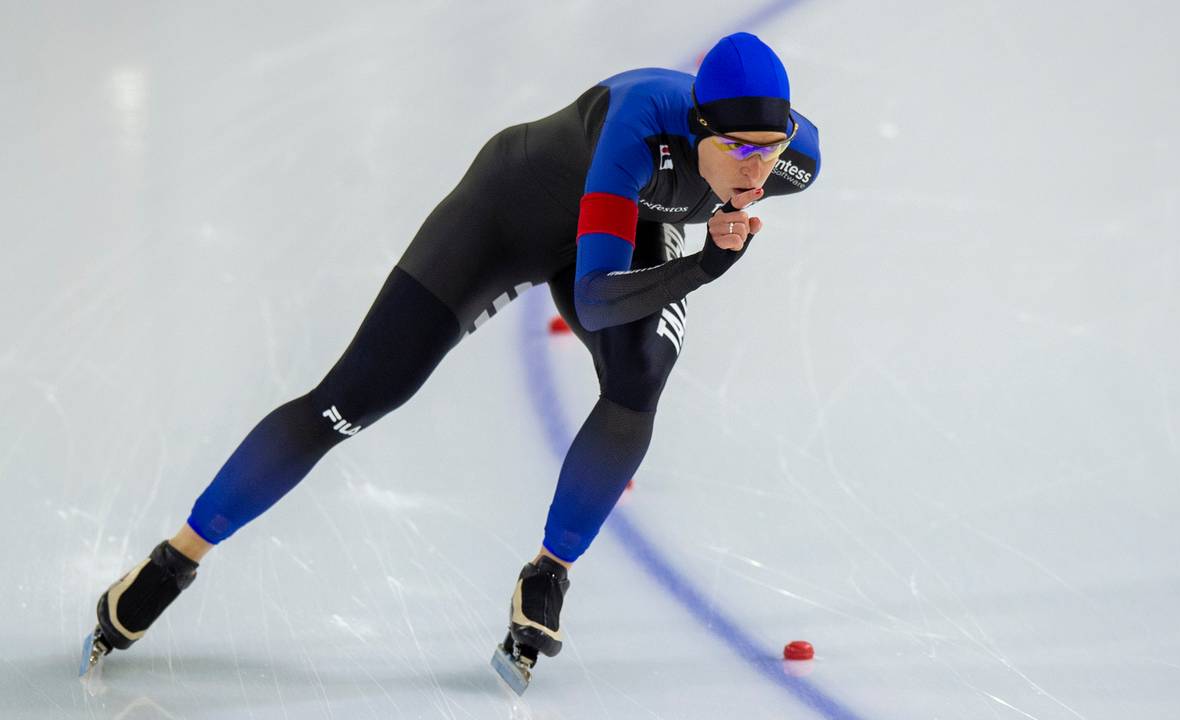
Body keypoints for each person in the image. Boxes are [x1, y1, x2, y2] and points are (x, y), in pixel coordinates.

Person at [84, 32, 821, 685]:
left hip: (623, 228)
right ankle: (174, 559)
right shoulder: (639, 131)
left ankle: (548, 574)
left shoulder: (795, 161)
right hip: (508, 214)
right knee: (355, 397)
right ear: (698, 130)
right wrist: (703, 268)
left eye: (772, 146)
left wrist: (702, 247)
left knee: (637, 382)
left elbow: (624, 283)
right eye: (738, 149)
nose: (758, 169)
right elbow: (596, 300)